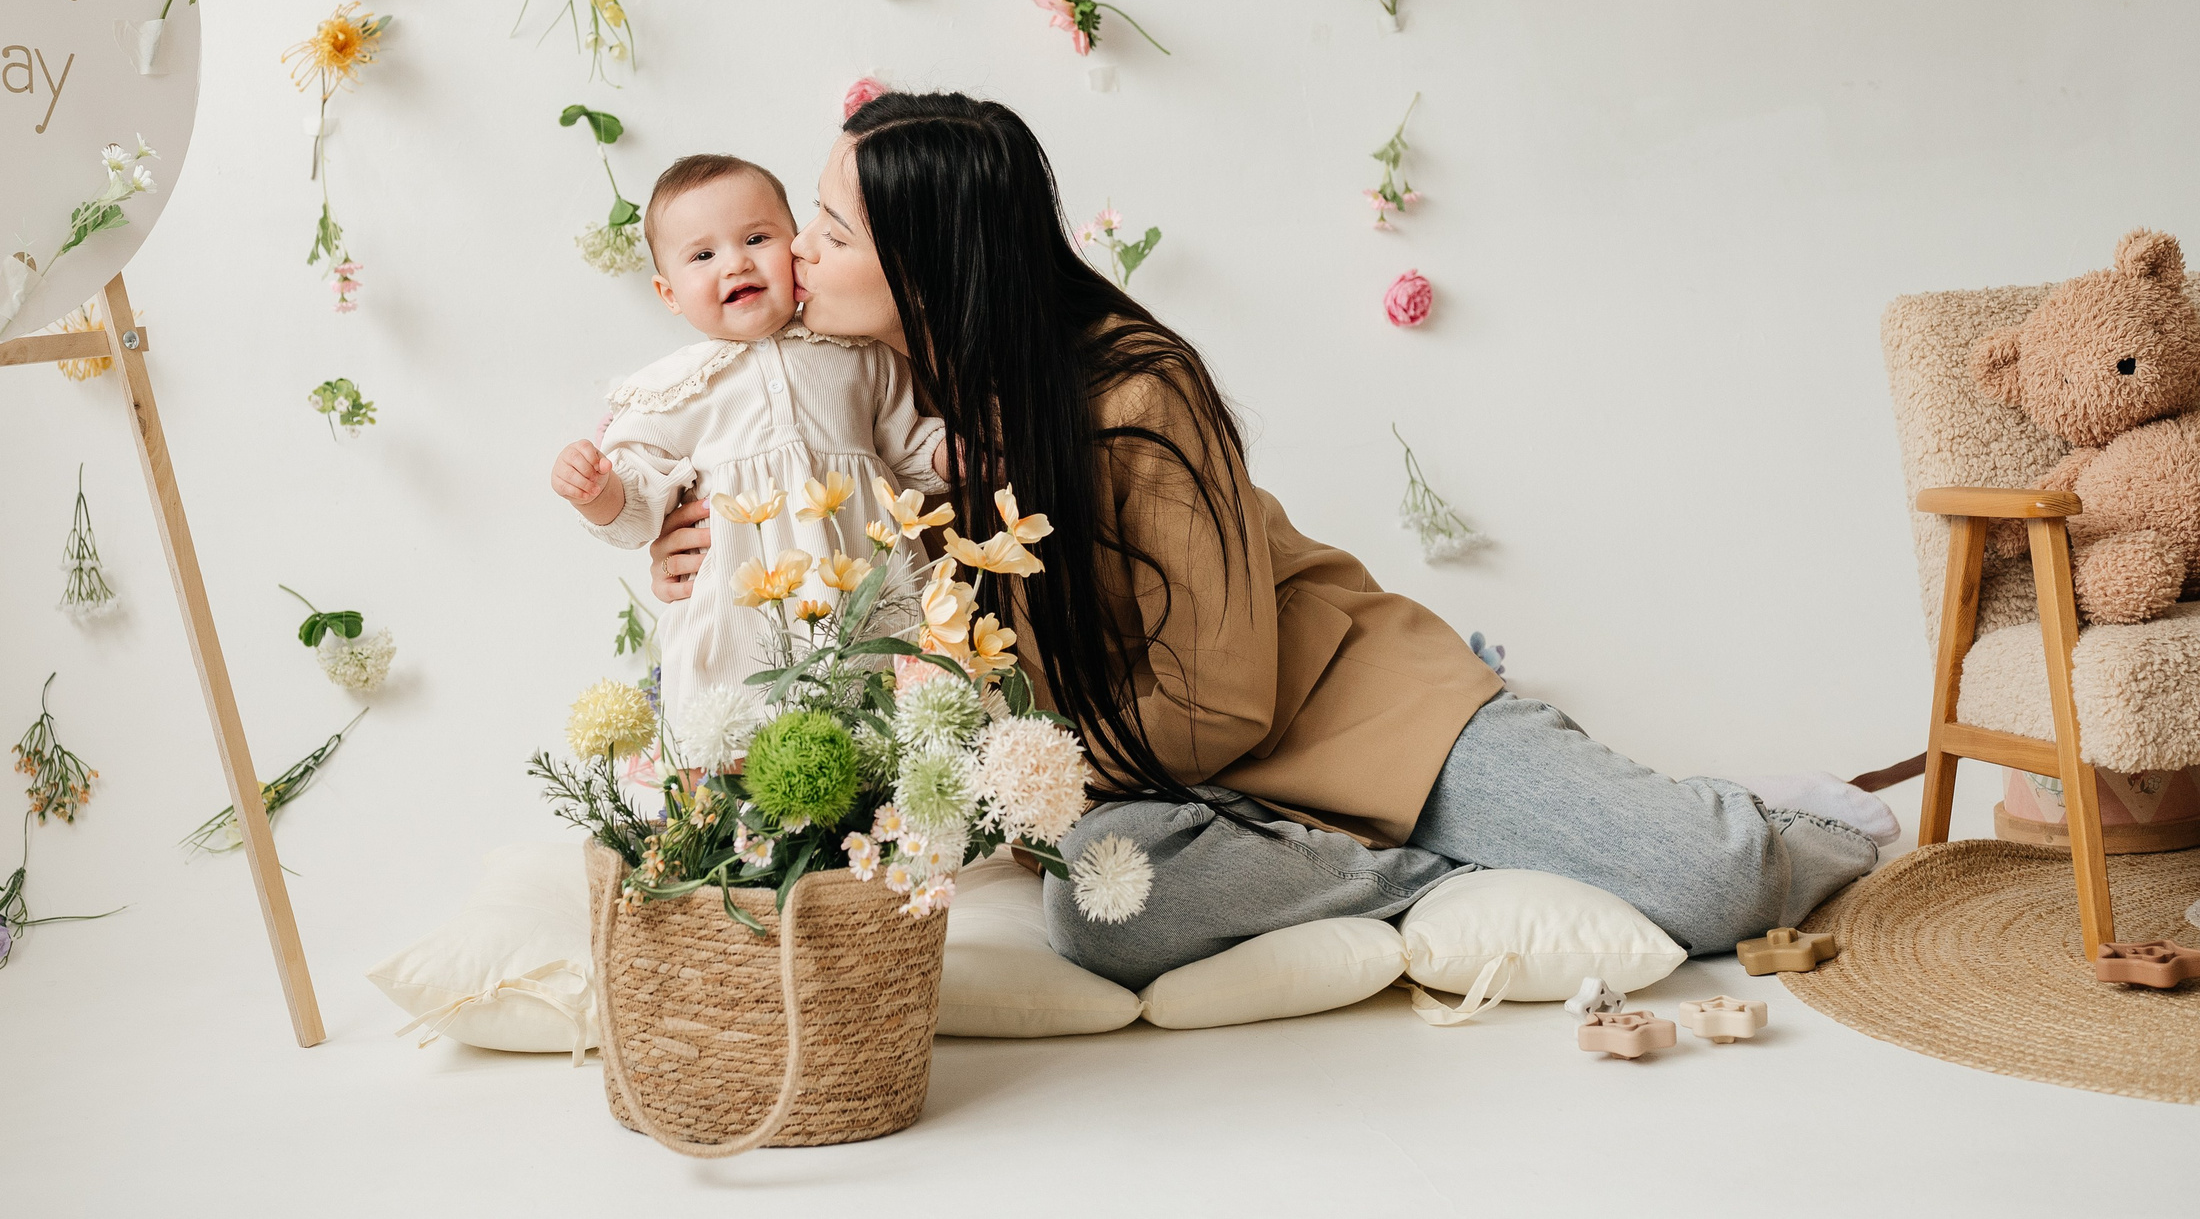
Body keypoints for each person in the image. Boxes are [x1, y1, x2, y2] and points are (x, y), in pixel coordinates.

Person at [640, 91, 1887, 991]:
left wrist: (1037, 766)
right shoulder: (865, 410)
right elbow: (784, 558)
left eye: (828, 232)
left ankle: (1759, 815)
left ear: (933, 267)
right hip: (1161, 783)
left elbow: (1229, 696)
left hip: (1344, 711)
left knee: (1713, 889)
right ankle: (1425, 870)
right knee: (1102, 907)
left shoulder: (1132, 393)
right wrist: (672, 555)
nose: (793, 252)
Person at [553, 152, 947, 727]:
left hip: (867, 590)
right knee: (746, 739)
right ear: (669, 294)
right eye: (703, 255)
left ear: (796, 249)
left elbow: (905, 443)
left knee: (893, 722)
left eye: (757, 238)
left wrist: (949, 453)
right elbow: (638, 507)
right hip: (743, 615)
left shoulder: (858, 352)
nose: (736, 263)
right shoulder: (674, 390)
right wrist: (596, 490)